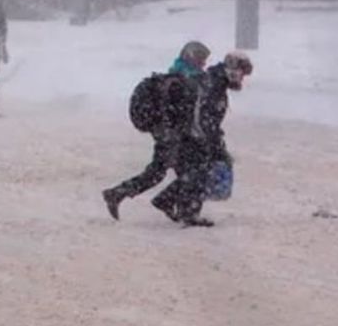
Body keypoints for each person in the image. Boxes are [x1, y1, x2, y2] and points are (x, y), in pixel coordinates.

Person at [102, 40, 210, 220]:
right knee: (171, 172)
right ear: (191, 57)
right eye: (200, 60)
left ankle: (177, 207)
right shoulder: (181, 80)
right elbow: (179, 113)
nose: (203, 64)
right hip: (171, 135)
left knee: (179, 172)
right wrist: (182, 133)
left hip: (169, 134)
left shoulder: (180, 76)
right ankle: (181, 209)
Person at [155, 52, 253, 227]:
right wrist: (211, 142)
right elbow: (204, 117)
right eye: (242, 73)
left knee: (197, 171)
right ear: (233, 69)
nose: (242, 79)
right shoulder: (214, 84)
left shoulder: (215, 80)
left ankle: (176, 205)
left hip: (191, 133)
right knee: (201, 171)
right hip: (193, 135)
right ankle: (180, 207)